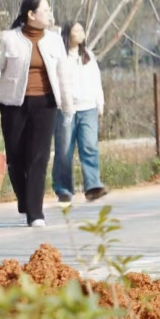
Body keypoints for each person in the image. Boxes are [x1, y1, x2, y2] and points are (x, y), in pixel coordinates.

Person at [0, 0, 73, 227]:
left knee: (38, 158)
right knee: (15, 158)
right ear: (31, 15)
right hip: (14, 105)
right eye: (45, 9)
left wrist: (68, 104)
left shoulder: (54, 40)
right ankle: (25, 200)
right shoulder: (8, 39)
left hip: (45, 104)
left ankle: (36, 213)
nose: (50, 13)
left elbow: (63, 75)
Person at [52, 20, 108, 204]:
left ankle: (92, 185)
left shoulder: (88, 56)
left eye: (82, 29)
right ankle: (63, 189)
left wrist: (100, 103)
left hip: (88, 108)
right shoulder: (60, 57)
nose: (81, 32)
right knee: (64, 151)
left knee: (89, 146)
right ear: (68, 34)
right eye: (77, 30)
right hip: (66, 110)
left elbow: (96, 81)